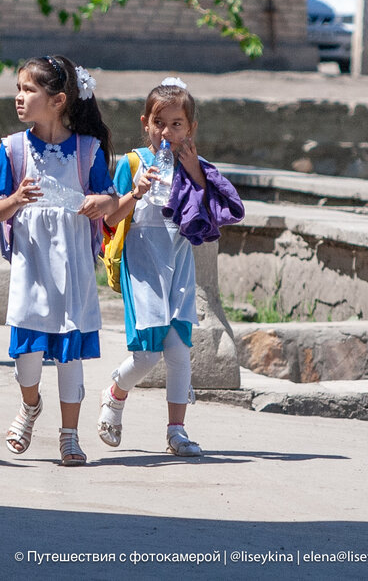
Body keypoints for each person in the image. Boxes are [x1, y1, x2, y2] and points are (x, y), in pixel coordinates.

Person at [96, 77, 244, 457]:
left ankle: (177, 431)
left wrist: (195, 172)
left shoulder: (199, 167)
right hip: (142, 265)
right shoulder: (132, 163)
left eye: (177, 124)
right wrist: (136, 191)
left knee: (179, 351)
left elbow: (219, 211)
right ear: (145, 122)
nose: (167, 132)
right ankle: (115, 393)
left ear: (190, 128)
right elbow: (110, 216)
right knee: (147, 354)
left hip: (179, 264)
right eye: (159, 123)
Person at [0, 55, 119, 466]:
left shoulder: (88, 151)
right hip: (32, 268)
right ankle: (29, 406)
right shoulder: (12, 149)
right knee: (27, 356)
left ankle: (69, 435)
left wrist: (102, 202)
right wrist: (15, 200)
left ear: (59, 99)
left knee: (69, 353)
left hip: (74, 268)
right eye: (18, 89)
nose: (19, 98)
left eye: (29, 90)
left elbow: (110, 199)